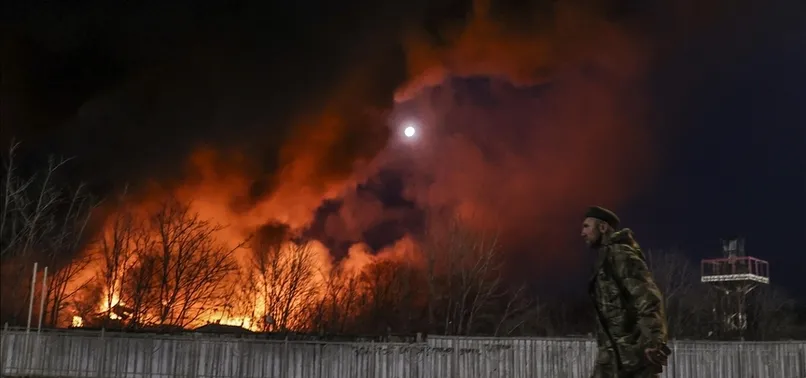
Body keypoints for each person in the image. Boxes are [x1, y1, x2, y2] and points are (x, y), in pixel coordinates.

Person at [581, 206, 671, 378]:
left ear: (602, 227)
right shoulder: (606, 258)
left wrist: (653, 341)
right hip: (613, 357)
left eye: (586, 226)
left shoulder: (621, 255)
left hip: (633, 356)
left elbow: (648, 299)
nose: (582, 233)